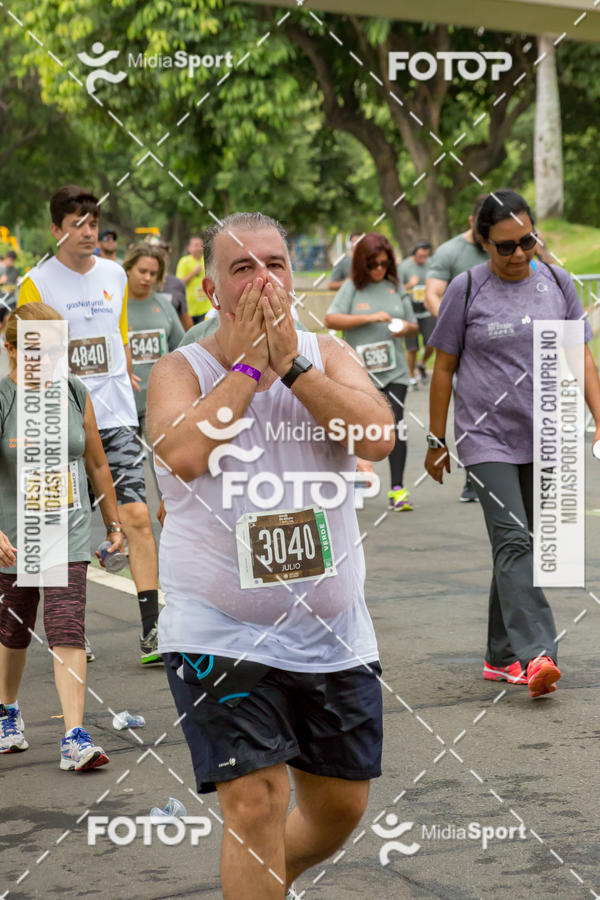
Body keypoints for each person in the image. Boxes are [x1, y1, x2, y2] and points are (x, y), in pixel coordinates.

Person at [147, 211, 394, 899]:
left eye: (275, 264)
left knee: (340, 807)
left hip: (330, 635)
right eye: (243, 267)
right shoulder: (180, 368)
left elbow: (376, 437)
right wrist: (253, 365)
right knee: (255, 801)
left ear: (296, 279)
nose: (263, 278)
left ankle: (255, 885)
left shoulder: (326, 356)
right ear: (211, 291)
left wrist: (293, 368)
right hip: (218, 632)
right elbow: (186, 452)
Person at [424, 189, 600, 699]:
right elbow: (443, 367)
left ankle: (501, 655)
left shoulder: (559, 282)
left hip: (547, 432)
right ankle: (538, 655)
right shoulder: (466, 288)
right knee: (515, 540)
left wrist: (598, 418)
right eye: (505, 247)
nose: (519, 254)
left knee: (527, 547)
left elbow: (580, 358)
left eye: (527, 241)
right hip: (486, 437)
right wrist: (438, 439)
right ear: (483, 242)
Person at [17, 185, 161, 666]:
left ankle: (152, 630)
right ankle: (66, 629)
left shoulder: (115, 274)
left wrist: (121, 370)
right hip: (60, 421)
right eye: (77, 224)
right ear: (56, 230)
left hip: (117, 416)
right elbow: (34, 364)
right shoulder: (37, 283)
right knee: (55, 529)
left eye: (93, 224)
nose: (88, 232)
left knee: (136, 516)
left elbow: (117, 338)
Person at [0, 302, 124, 767]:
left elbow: (95, 462)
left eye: (56, 349)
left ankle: (74, 734)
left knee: (68, 624)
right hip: (15, 536)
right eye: (37, 350)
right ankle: (7, 711)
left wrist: (113, 523)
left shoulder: (74, 392)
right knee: (13, 627)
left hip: (67, 530)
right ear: (11, 349)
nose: (48, 360)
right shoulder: (4, 398)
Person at [325, 232, 418, 511]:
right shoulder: (352, 287)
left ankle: (398, 490)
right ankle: (355, 484)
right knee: (357, 428)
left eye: (384, 263)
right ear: (362, 264)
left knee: (395, 426)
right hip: (360, 374)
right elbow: (332, 318)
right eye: (374, 264)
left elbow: (414, 324)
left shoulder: (394, 286)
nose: (380, 269)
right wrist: (370, 317)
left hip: (395, 372)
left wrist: (405, 327)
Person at [424, 195, 489, 502]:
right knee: (472, 406)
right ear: (471, 221)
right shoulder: (450, 252)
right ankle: (473, 476)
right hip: (466, 346)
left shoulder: (511, 246)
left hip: (505, 344)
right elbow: (432, 295)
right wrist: (455, 328)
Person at [124, 242, 184, 436]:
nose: (147, 278)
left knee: (161, 464)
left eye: (153, 273)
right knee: (128, 465)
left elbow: (183, 348)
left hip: (159, 404)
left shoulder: (164, 306)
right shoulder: (114, 305)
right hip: (123, 405)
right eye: (142, 271)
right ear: (128, 269)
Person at [399, 240, 434, 387]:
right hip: (410, 313)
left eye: (426, 256)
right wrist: (410, 285)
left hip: (427, 310)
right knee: (412, 348)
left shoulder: (432, 264)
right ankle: (412, 376)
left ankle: (422, 363)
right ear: (414, 253)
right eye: (420, 256)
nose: (423, 259)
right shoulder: (404, 266)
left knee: (432, 343)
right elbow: (396, 288)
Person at [156, 239, 194, 332]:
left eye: (163, 255)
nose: (160, 259)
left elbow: (185, 320)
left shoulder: (177, 284)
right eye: (156, 255)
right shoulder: (132, 283)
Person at [176, 235, 209, 324]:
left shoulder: (207, 260)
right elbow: (179, 283)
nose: (199, 248)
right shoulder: (184, 261)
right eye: (196, 245)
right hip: (189, 310)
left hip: (206, 307)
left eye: (201, 245)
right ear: (189, 248)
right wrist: (193, 273)